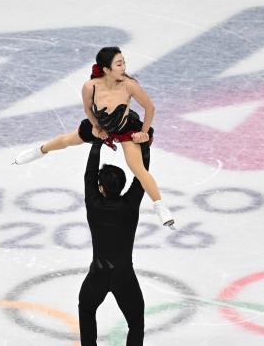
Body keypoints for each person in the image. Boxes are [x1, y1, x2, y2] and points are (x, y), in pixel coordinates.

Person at [12, 46, 176, 230]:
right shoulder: (90, 86)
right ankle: (39, 151)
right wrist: (96, 127)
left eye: (123, 63)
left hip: (125, 129)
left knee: (137, 168)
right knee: (67, 140)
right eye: (119, 64)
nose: (124, 67)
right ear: (106, 69)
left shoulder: (129, 85)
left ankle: (159, 206)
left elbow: (150, 108)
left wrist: (143, 132)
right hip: (101, 127)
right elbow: (88, 109)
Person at [67, 140, 162, 346]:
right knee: (136, 323)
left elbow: (89, 175)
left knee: (86, 309)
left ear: (100, 187)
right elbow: (141, 174)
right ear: (121, 186)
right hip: (123, 276)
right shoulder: (130, 204)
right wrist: (144, 145)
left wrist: (96, 143)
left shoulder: (93, 203)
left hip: (98, 274)